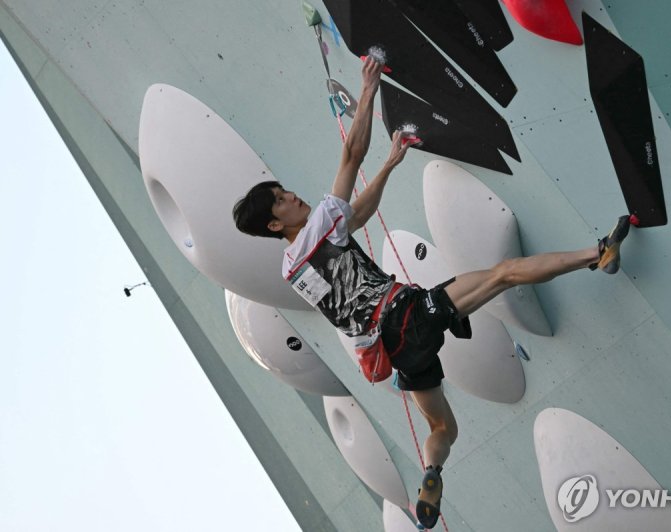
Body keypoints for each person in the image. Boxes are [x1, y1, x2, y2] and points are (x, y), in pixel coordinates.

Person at [232, 57, 631, 529]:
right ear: (275, 224)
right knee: (502, 273)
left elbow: (355, 217)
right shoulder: (315, 228)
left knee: (443, 427)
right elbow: (349, 158)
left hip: (397, 353)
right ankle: (597, 253)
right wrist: (368, 86)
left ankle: (432, 471)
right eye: (281, 200)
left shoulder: (292, 269)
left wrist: (390, 164)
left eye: (283, 190)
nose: (292, 195)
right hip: (407, 314)